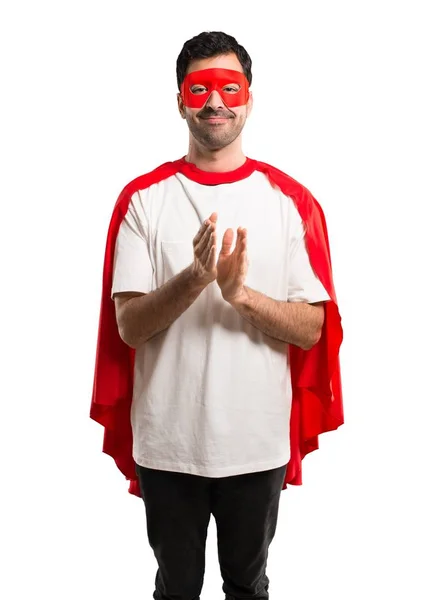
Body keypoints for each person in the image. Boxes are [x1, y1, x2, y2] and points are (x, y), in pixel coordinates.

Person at [90, 30, 344, 600]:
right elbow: (129, 326)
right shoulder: (143, 199)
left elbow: (314, 328)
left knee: (247, 585)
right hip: (168, 444)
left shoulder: (289, 201)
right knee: (175, 588)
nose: (215, 102)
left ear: (249, 99)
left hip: (256, 444)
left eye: (230, 88)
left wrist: (241, 295)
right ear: (180, 99)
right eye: (199, 88)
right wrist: (196, 277)